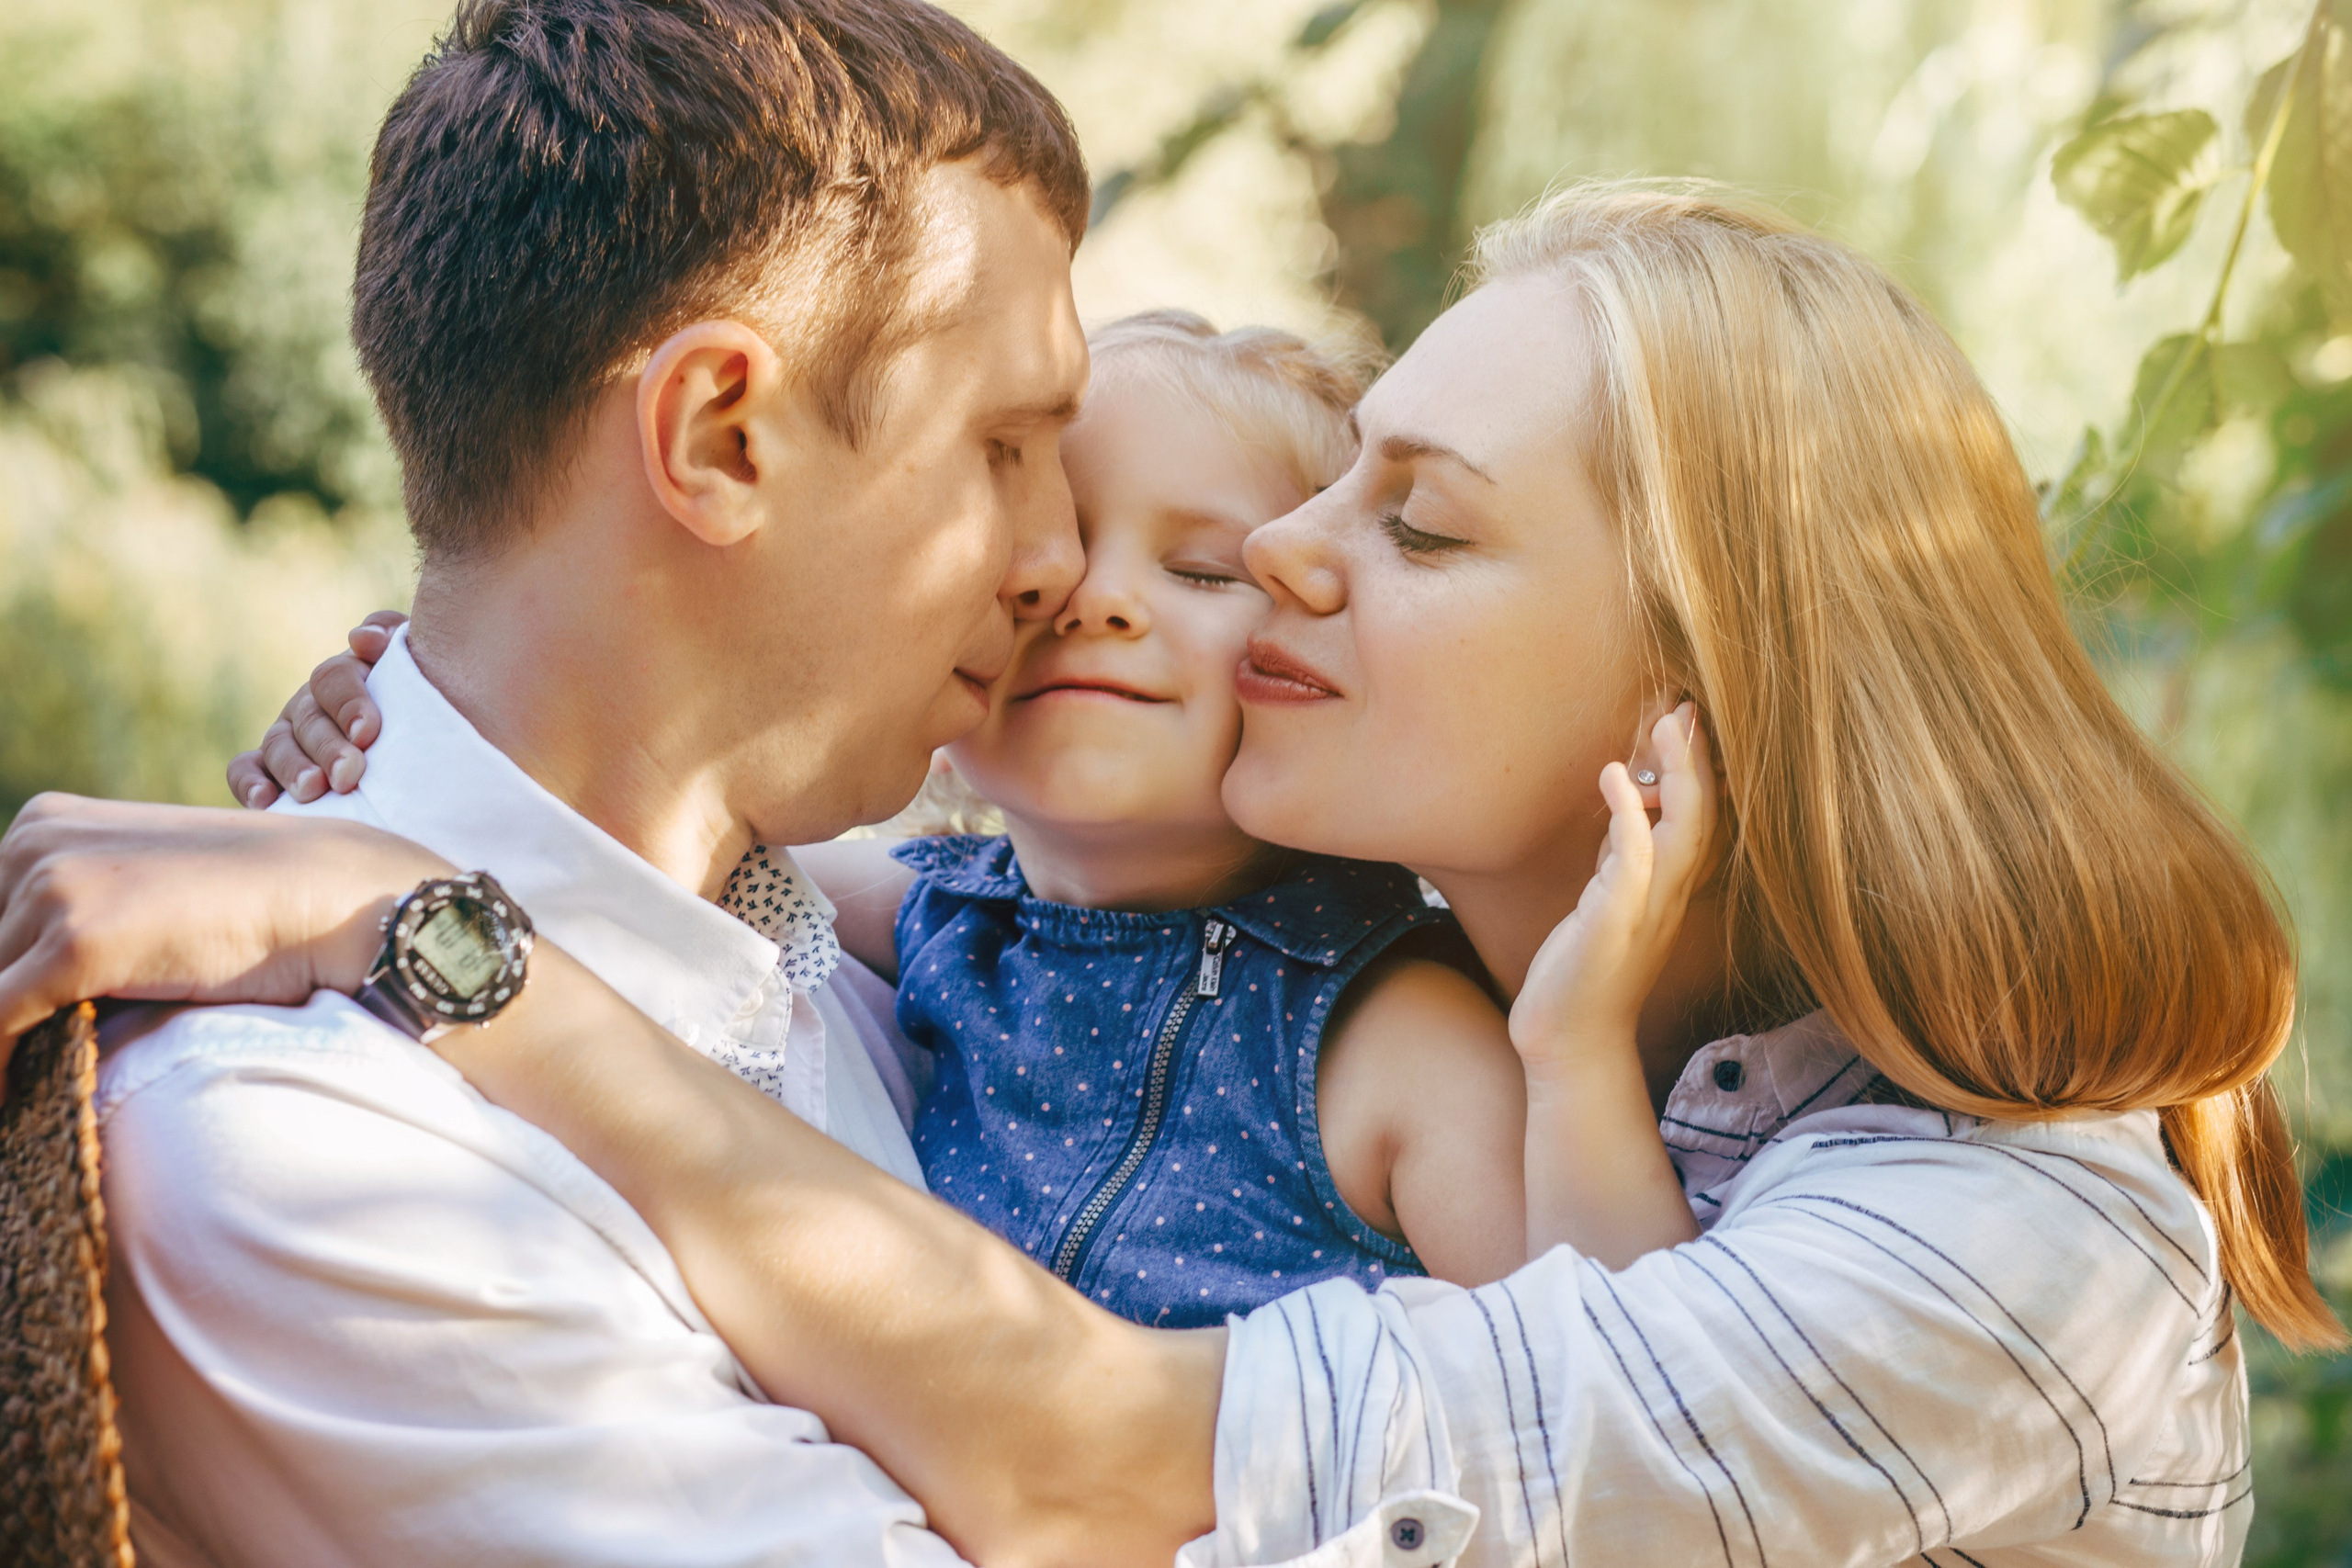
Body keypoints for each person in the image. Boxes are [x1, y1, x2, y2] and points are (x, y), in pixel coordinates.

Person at [6, 186, 2345, 1567]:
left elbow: (1087, 1453)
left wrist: (431, 926)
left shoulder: (2006, 1247)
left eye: (1412, 522)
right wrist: (424, 735)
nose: (1275, 568)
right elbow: (825, 884)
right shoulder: (1397, 987)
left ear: (1696, 686)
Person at [231, 309, 1723, 1322]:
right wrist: (400, 718)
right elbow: (609, 794)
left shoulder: (1373, 1037)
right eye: (1051, 567)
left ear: (1309, 665)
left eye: (1205, 574)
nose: (1099, 604)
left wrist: (1574, 1051)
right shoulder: (936, 909)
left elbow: (1621, 1412)